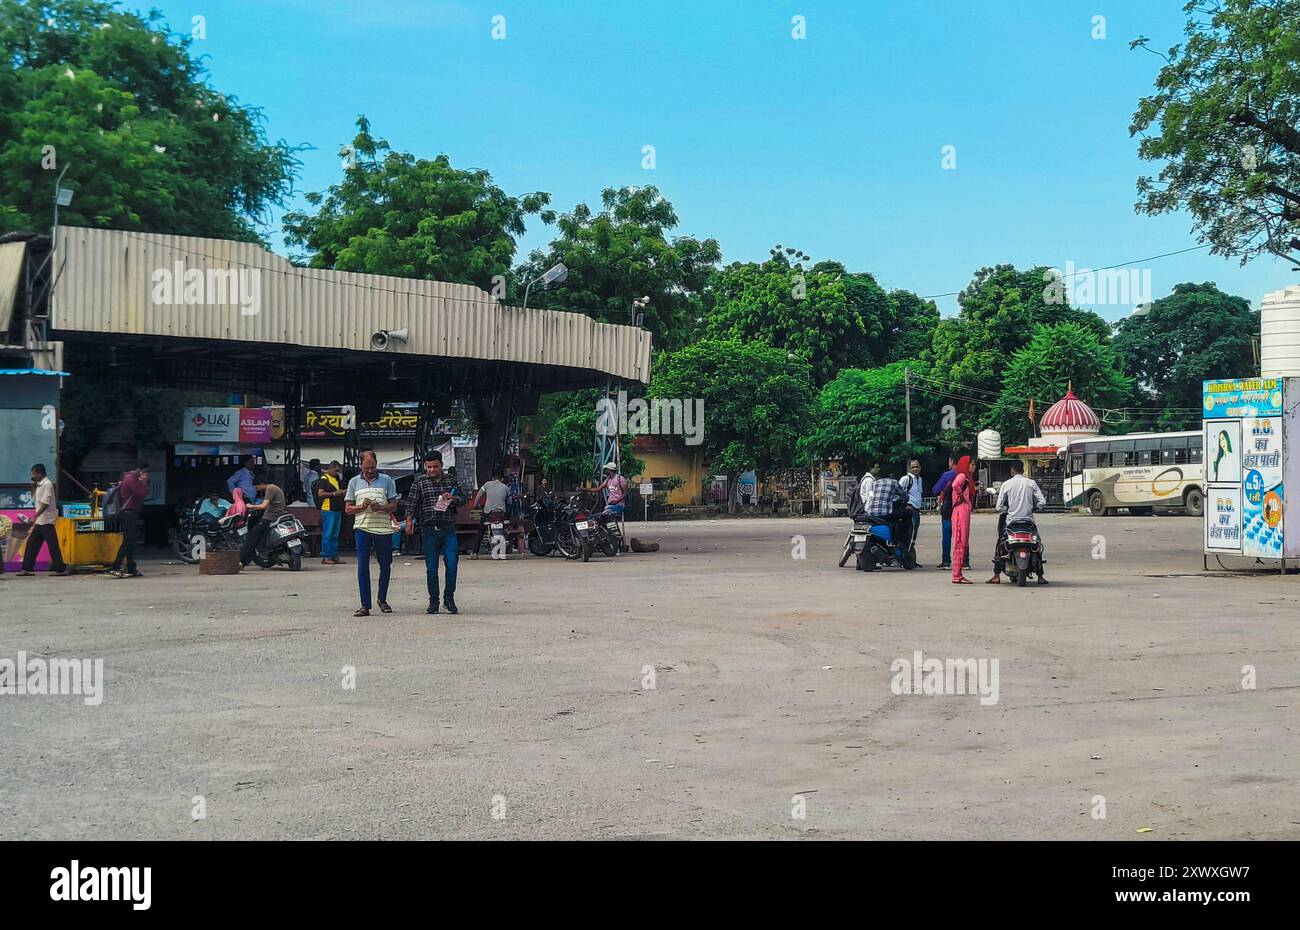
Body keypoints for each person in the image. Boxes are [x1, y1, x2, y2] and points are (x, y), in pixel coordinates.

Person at [405, 450, 463, 615]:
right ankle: (433, 601)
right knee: (431, 568)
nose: (432, 470)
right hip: (428, 529)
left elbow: (463, 498)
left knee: (452, 565)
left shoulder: (451, 481)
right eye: (429, 467)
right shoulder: (419, 482)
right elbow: (411, 504)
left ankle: (449, 599)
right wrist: (409, 521)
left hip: (448, 528)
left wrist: (453, 499)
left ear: (441, 465)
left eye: (435, 467)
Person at [345, 451, 399, 617]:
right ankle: (364, 605)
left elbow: (394, 505)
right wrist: (361, 507)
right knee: (363, 567)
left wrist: (381, 507)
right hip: (362, 528)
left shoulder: (387, 480)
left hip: (383, 529)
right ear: (361, 465)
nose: (370, 471)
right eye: (367, 467)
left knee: (385, 565)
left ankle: (382, 599)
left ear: (377, 464)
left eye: (373, 467)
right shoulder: (354, 482)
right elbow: (348, 509)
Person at [988, 461, 1048, 585]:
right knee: (1037, 544)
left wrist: (1008, 509)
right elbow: (1042, 502)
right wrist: (1034, 507)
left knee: (1000, 543)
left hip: (1011, 522)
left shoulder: (1007, 484)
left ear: (1012, 471)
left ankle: (996, 575)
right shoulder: (1031, 483)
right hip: (1028, 522)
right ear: (1023, 470)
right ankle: (1040, 576)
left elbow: (998, 507)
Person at [16, 463, 69, 577]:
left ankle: (60, 569)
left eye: (34, 473)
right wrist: (33, 486)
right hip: (40, 521)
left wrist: (34, 516)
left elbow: (45, 504)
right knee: (32, 544)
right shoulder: (40, 485)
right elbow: (36, 499)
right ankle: (27, 568)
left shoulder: (47, 484)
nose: (33, 475)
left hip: (47, 520)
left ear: (40, 473)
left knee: (52, 545)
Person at [859, 467, 912, 569]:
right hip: (885, 514)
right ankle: (901, 539)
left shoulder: (875, 483)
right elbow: (905, 496)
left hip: (870, 513)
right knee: (907, 514)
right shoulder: (894, 483)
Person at [108, 463, 150, 578]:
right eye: (146, 472)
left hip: (131, 513)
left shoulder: (131, 478)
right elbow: (141, 493)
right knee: (128, 541)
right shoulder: (131, 479)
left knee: (131, 542)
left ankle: (131, 568)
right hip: (128, 513)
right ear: (140, 470)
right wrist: (144, 482)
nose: (147, 475)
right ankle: (115, 567)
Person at [239, 474, 287, 567]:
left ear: (261, 484)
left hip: (270, 516)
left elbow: (264, 505)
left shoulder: (270, 489)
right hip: (276, 514)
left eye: (257, 486)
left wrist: (251, 506)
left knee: (252, 536)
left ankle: (242, 561)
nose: (257, 489)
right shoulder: (275, 488)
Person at [472, 465, 513, 556]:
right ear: (502, 479)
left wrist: (475, 505)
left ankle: (474, 552)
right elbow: (510, 503)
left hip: (488, 513)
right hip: (501, 514)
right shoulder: (506, 487)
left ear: (493, 478)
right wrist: (507, 515)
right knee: (506, 526)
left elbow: (478, 496)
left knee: (480, 532)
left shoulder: (487, 484)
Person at [313, 461, 346, 565]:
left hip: (336, 509)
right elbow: (320, 493)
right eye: (335, 470)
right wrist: (334, 493)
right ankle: (326, 556)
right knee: (328, 534)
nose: (337, 473)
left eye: (338, 471)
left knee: (335, 534)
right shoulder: (324, 479)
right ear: (330, 468)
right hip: (328, 509)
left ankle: (334, 555)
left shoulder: (336, 479)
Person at [950, 455, 975, 585]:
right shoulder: (962, 476)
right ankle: (956, 574)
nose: (974, 467)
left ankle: (958, 573)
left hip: (964, 510)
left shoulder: (967, 478)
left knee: (963, 541)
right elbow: (955, 485)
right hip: (960, 510)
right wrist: (960, 495)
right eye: (972, 464)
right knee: (960, 541)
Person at [898, 459, 925, 568]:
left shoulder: (920, 479)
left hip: (917, 510)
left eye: (917, 467)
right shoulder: (906, 479)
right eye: (913, 467)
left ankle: (910, 557)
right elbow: (898, 491)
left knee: (913, 534)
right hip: (909, 510)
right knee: (909, 533)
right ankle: (905, 557)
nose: (915, 469)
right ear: (910, 468)